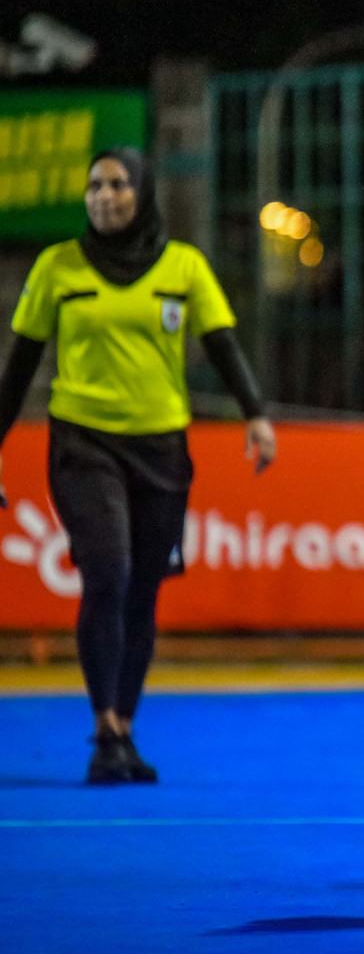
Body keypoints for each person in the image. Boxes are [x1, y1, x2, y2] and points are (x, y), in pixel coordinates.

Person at [0, 147, 275, 784]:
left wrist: (255, 415)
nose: (104, 195)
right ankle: (102, 729)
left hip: (160, 449)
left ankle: (125, 726)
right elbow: (18, 370)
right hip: (83, 444)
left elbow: (221, 343)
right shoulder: (57, 268)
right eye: (94, 186)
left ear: (142, 192)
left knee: (142, 592)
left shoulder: (183, 267)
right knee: (108, 570)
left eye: (118, 184)